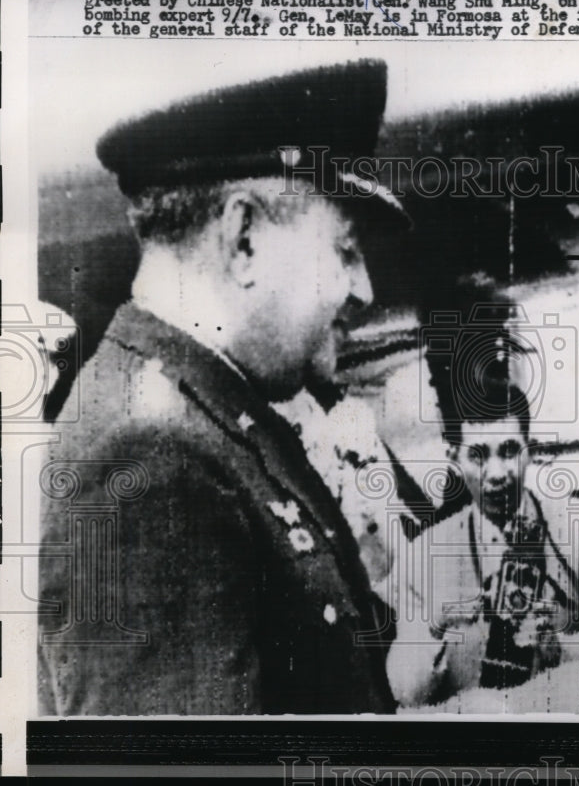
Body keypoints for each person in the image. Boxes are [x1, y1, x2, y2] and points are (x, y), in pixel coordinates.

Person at [37, 61, 408, 715]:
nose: (363, 289)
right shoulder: (151, 456)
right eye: (344, 249)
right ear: (243, 239)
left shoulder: (213, 417)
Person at [386, 378, 579, 707]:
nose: (497, 472)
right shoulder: (424, 556)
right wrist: (434, 623)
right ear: (454, 457)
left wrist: (560, 644)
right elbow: (406, 695)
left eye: (509, 451)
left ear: (530, 448)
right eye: (477, 455)